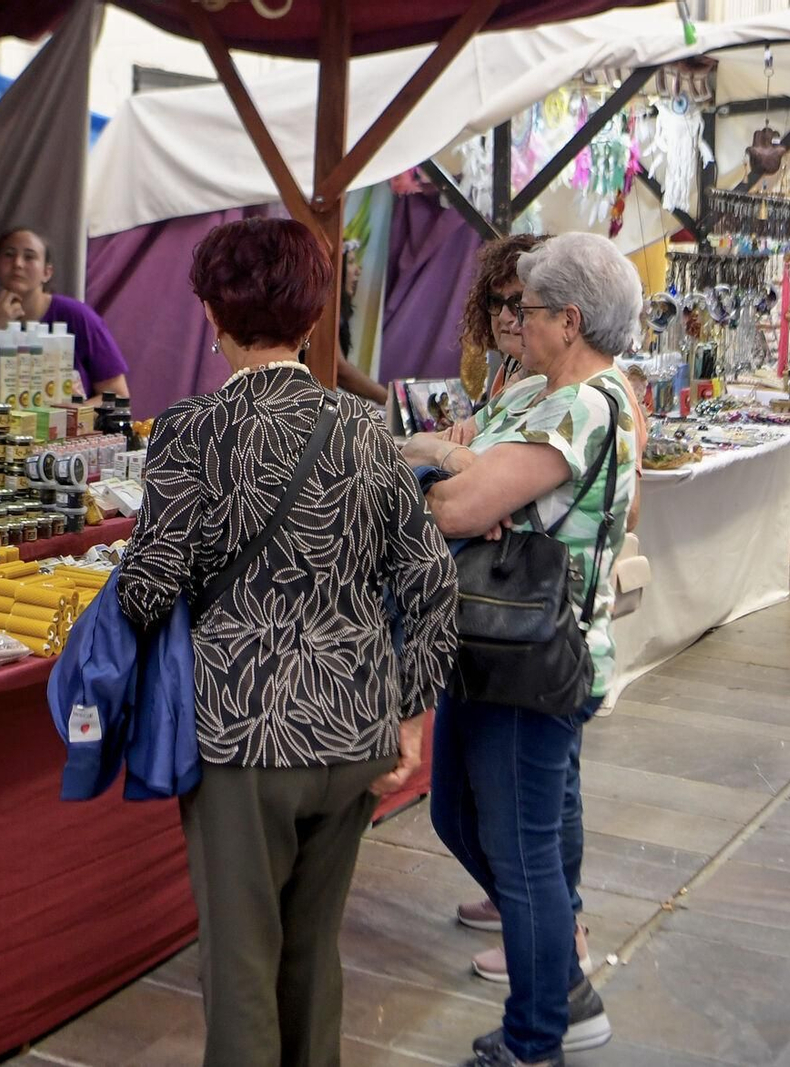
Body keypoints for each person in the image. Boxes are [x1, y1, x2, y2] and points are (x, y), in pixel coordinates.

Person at [117, 217, 458, 1067]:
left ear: (211, 315)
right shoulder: (366, 434)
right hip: (352, 732)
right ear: (313, 320)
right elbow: (431, 587)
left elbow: (149, 586)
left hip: (243, 738)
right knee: (313, 955)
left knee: (241, 971)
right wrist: (409, 720)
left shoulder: (189, 433)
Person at [403, 232, 640, 1067]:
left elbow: (461, 509)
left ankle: (538, 1033)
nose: (519, 323)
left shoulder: (578, 403)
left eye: (531, 309)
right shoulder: (562, 395)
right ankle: (558, 988)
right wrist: (461, 473)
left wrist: (448, 476)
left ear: (568, 320)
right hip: (502, 648)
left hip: (529, 658)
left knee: (524, 849)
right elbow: (470, 492)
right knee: (464, 814)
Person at [0, 227, 131, 402]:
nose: (18, 264)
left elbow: (118, 394)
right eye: (9, 254)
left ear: (46, 272)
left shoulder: (77, 316)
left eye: (29, 257)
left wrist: (72, 415)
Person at [335, 239, 389, 406]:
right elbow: (339, 368)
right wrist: (388, 398)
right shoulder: (322, 311)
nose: (358, 270)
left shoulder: (339, 312)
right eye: (350, 262)